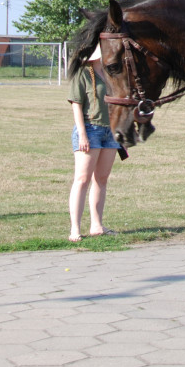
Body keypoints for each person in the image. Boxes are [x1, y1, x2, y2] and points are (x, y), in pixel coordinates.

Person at [67, 44, 120, 241]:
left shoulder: (112, 73)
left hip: (111, 130)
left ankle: (97, 225)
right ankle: (75, 229)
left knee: (102, 179)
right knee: (82, 179)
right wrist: (82, 134)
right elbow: (76, 105)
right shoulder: (82, 73)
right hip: (90, 129)